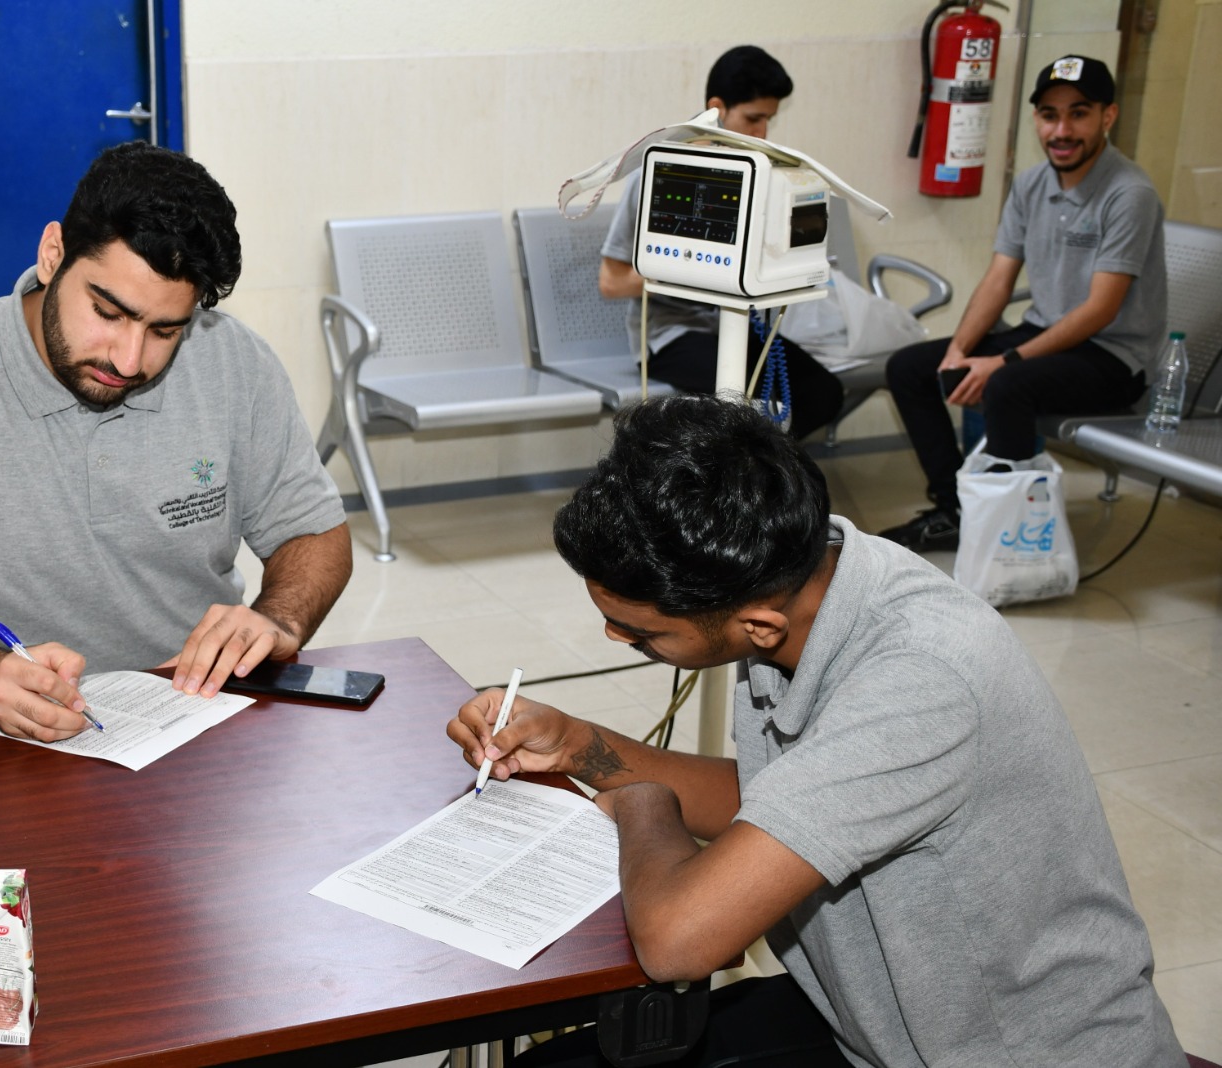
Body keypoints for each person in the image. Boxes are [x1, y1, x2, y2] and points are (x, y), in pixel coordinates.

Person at [448, 395, 1183, 1067]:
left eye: (642, 633)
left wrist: (644, 802)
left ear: (757, 626)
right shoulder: (805, 575)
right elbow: (781, 800)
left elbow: (679, 940)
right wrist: (580, 746)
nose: (614, 636)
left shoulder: (919, 681)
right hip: (871, 1024)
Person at [0, 142, 352, 741]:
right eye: (107, 312)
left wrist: (277, 620)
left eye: (165, 331)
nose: (129, 360)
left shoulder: (235, 363)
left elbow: (313, 533)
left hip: (189, 722)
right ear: (52, 255)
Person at [880, 55, 1166, 551]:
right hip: (1046, 334)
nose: (1062, 130)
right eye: (1049, 115)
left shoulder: (1129, 193)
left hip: (1114, 356)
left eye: (1079, 114)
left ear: (1108, 116)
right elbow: (998, 279)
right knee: (909, 368)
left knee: (1007, 384)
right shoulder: (1031, 185)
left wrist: (1002, 361)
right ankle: (956, 510)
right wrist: (960, 350)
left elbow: (1101, 310)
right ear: (1036, 118)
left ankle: (1006, 536)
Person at [599, 45, 845, 441]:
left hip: (735, 324)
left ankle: (764, 474)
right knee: (739, 408)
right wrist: (696, 270)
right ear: (717, 108)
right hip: (672, 336)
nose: (761, 133)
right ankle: (746, 474)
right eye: (752, 118)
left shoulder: (758, 175)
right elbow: (611, 282)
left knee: (823, 393)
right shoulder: (659, 174)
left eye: (768, 120)